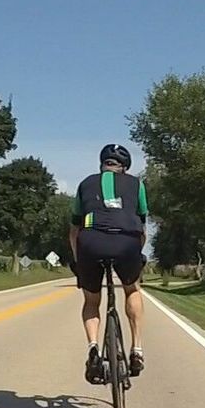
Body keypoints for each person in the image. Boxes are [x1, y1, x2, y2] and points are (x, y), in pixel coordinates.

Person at [69, 143, 149, 384]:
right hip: (127, 241)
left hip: (90, 241)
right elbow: (142, 228)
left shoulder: (85, 183)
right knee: (132, 290)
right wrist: (136, 254)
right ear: (125, 167)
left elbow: (74, 230)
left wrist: (78, 260)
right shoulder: (136, 184)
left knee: (92, 301)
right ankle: (137, 350)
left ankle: (93, 348)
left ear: (102, 164)